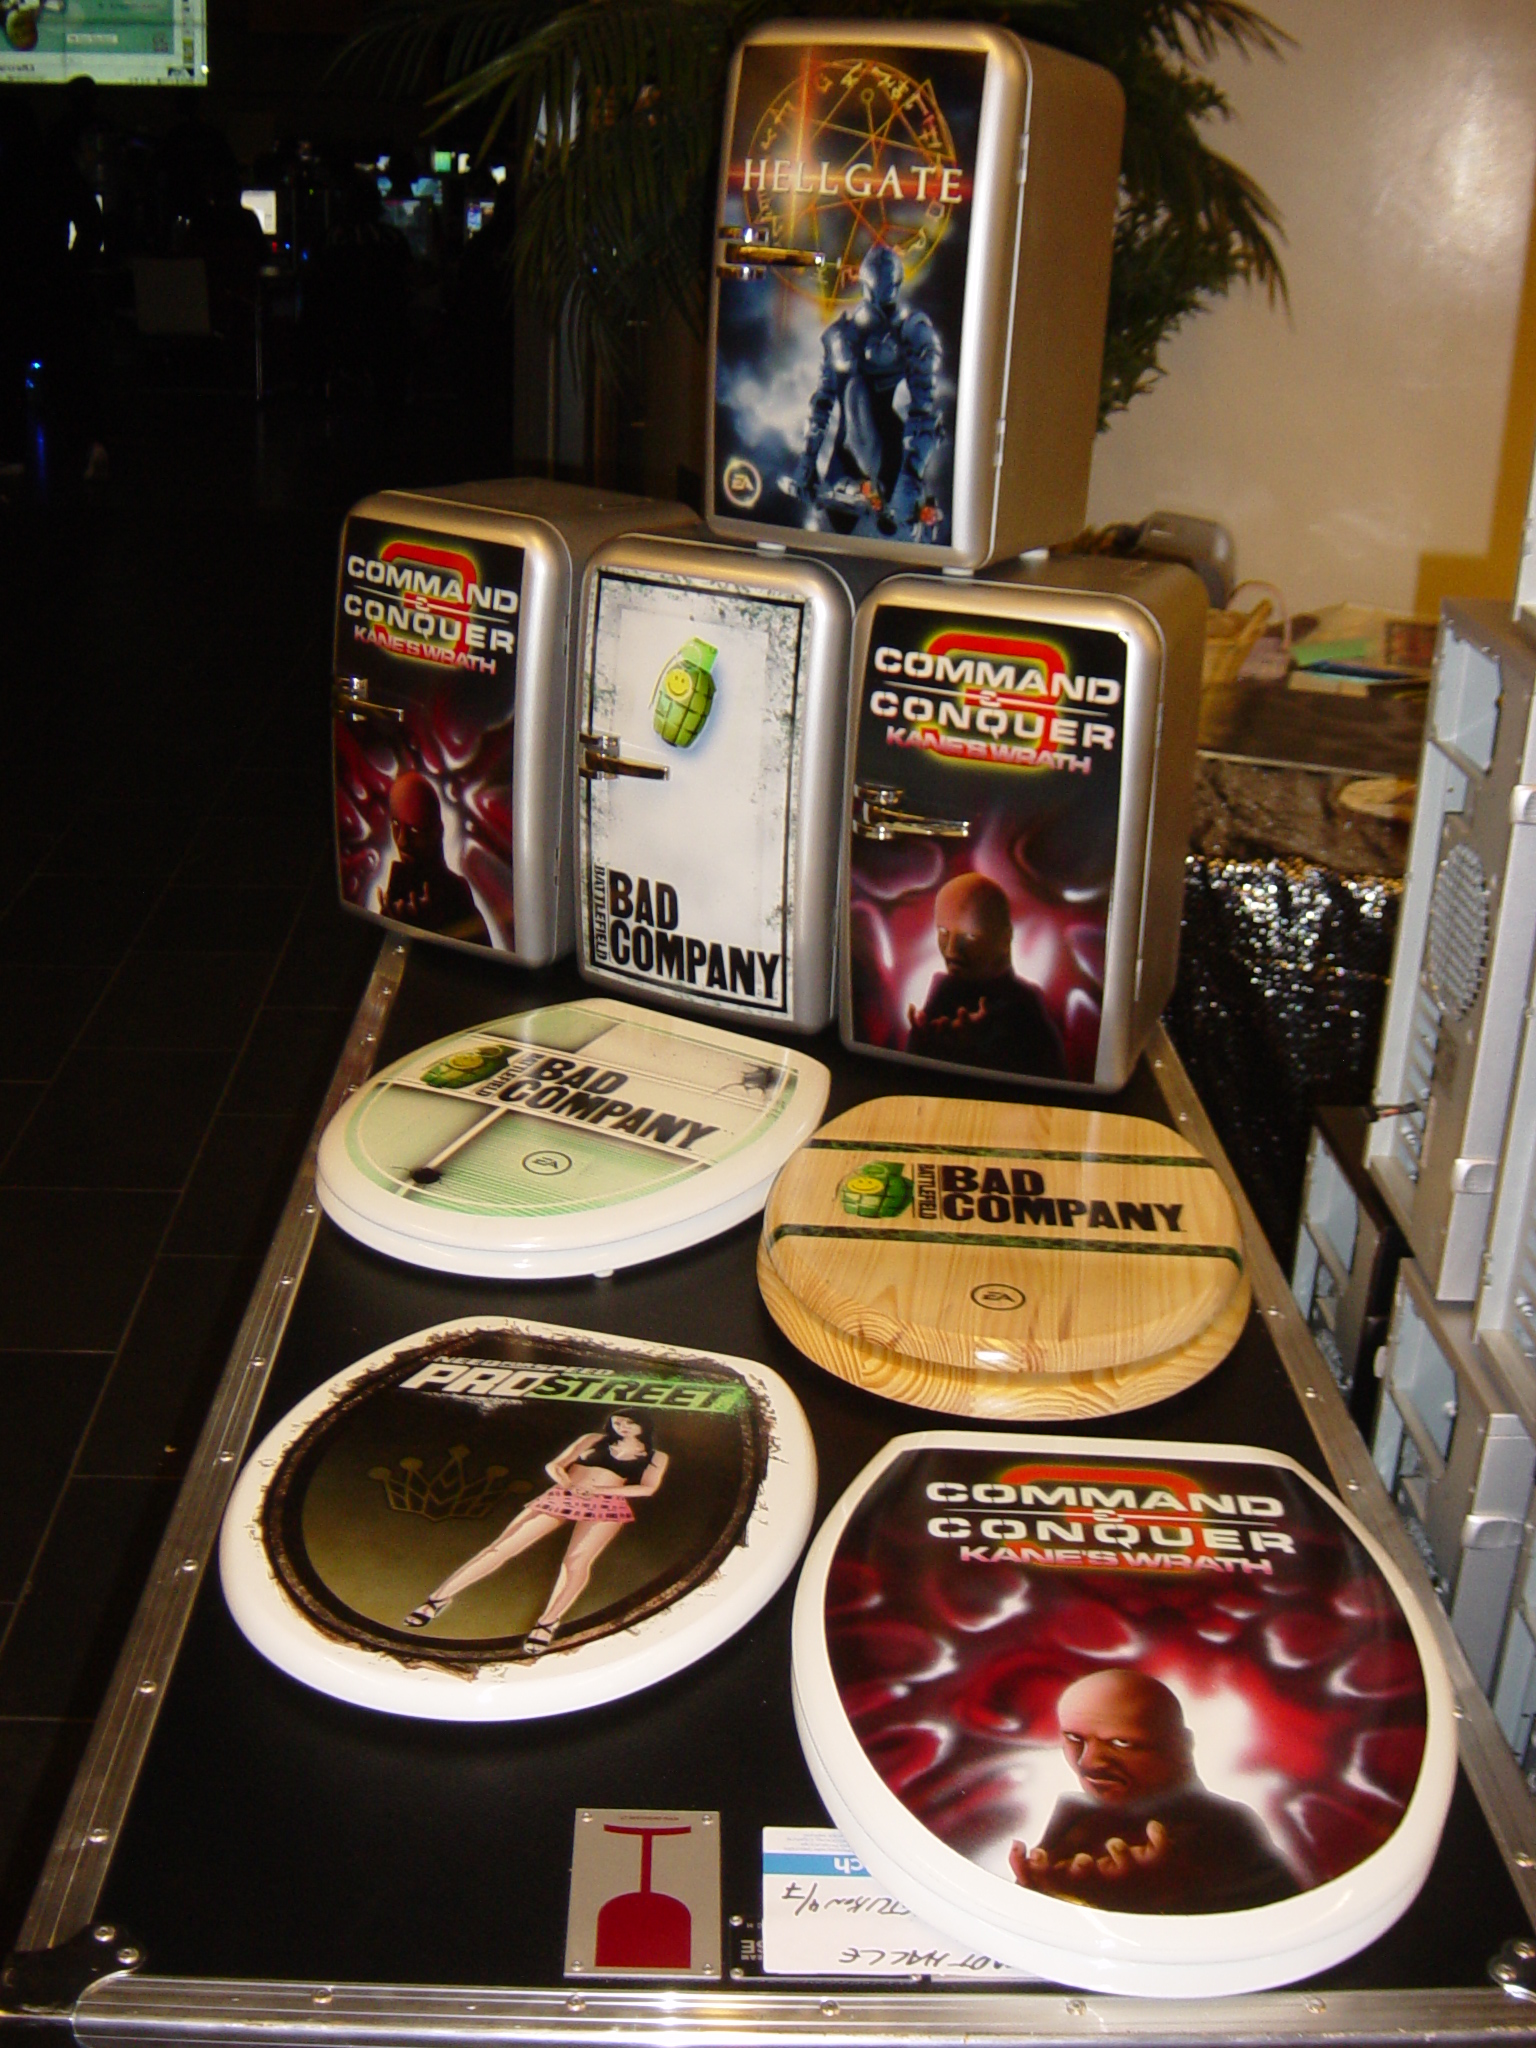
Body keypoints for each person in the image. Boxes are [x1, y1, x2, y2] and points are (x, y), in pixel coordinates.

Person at [1009, 1670, 1300, 1915]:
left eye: (1121, 1743)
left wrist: (1162, 1897)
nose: (1089, 1762)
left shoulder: (1225, 1828)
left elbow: (1278, 1919)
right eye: (1075, 1739)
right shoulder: (1076, 1816)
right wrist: (1035, 1888)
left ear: (1181, 1746)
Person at [404, 1415, 668, 1656]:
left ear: (643, 1426)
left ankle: (547, 1623)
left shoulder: (656, 1456)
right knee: (502, 1547)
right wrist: (569, 1485)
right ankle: (437, 1599)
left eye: (630, 1423)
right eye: (618, 1421)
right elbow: (554, 1465)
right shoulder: (593, 1439)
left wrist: (599, 1493)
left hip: (607, 1504)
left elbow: (647, 1489)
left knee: (576, 1562)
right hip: (564, 1494)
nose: (622, 1427)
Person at [782, 241, 941, 541]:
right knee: (832, 538)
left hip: (890, 461)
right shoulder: (841, 335)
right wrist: (807, 460)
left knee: (894, 537)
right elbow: (822, 403)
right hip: (844, 462)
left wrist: (910, 479)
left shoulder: (911, 331)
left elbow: (924, 415)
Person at [905, 872, 1063, 1076]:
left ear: (1004, 940)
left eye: (969, 936)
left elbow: (1046, 1078)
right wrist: (922, 1043)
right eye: (943, 933)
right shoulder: (943, 989)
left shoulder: (1025, 1005)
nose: (951, 951)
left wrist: (980, 1051)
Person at [379, 770, 490, 944]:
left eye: (415, 830)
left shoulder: (455, 893)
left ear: (437, 831)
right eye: (396, 825)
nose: (402, 841)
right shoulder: (400, 887)